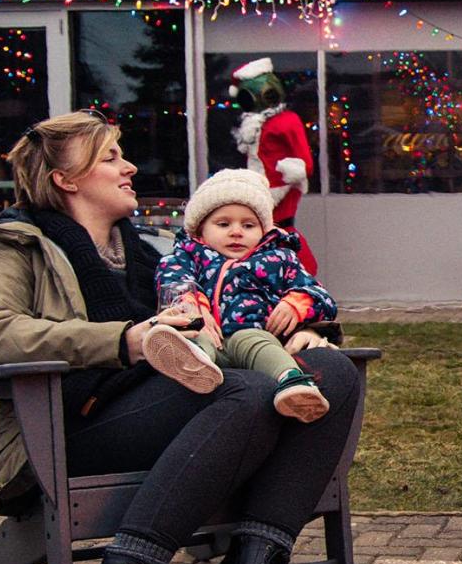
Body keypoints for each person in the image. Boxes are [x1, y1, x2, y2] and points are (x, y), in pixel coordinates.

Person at [0, 110, 366, 564]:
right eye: (111, 156)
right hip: (75, 423)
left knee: (333, 376)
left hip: (186, 409)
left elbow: (242, 302)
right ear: (67, 179)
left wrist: (304, 327)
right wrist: (125, 340)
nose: (129, 167)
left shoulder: (152, 255)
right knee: (242, 389)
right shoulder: (19, 244)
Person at [143, 168, 337, 422]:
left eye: (248, 225)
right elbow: (173, 279)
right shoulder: (189, 255)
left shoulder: (278, 258)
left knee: (259, 343)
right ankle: (192, 366)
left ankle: (293, 383)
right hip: (206, 336)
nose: (236, 231)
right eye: (223, 224)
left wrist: (297, 302)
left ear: (263, 230)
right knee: (194, 337)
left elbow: (320, 294)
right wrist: (191, 303)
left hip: (253, 335)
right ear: (200, 231)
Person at [230, 57, 319, 275]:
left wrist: (292, 173)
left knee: (281, 230)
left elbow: (304, 160)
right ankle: (276, 275)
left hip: (280, 187)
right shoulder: (257, 123)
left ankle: (304, 272)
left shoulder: (287, 121)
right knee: (264, 233)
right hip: (260, 185)